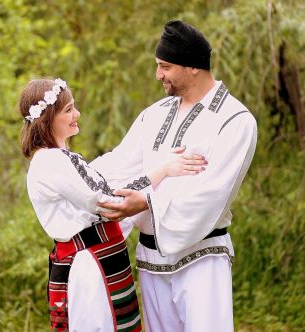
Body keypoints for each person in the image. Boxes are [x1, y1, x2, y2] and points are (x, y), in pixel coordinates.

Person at [93, 20, 258, 331]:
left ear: (192, 66)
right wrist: (81, 180)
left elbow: (209, 192)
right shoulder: (153, 114)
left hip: (202, 258)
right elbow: (120, 163)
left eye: (165, 66)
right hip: (150, 261)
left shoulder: (235, 121)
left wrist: (144, 202)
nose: (158, 75)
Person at [19, 78, 207, 331]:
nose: (77, 114)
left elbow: (106, 185)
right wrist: (162, 170)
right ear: (48, 118)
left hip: (102, 258)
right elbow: (107, 201)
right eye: (68, 110)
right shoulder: (50, 162)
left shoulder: (61, 157)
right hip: (90, 265)